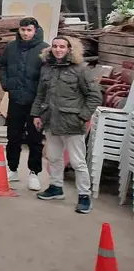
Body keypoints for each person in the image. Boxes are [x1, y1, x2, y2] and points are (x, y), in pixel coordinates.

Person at [32, 37, 101, 213]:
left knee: (78, 162)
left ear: (70, 49)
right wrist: (36, 114)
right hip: (51, 120)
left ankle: (84, 196)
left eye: (62, 46)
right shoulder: (47, 68)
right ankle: (56, 187)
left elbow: (94, 96)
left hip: (72, 123)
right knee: (54, 157)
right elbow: (40, 94)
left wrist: (83, 117)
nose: (58, 49)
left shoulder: (80, 70)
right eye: (55, 46)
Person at [0, 17, 50, 191]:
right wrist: (7, 84)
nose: (26, 33)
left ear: (35, 30)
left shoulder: (44, 49)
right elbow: (2, 65)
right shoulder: (11, 47)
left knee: (35, 138)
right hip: (16, 99)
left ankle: (34, 173)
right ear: (19, 31)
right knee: (13, 136)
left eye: (29, 30)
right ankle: (12, 169)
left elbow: (49, 73)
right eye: (23, 30)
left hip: (36, 102)